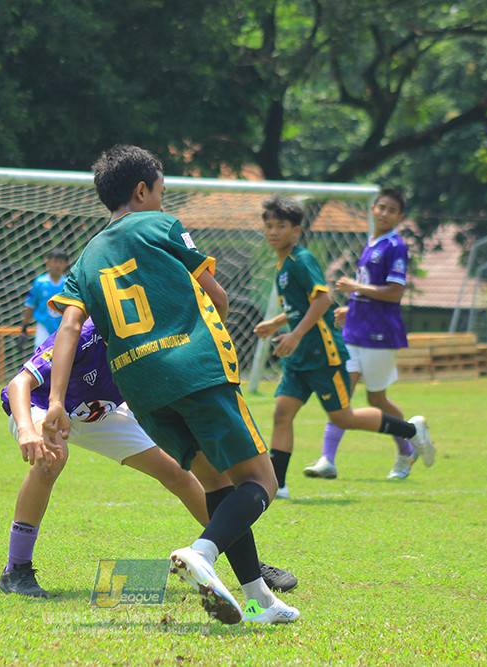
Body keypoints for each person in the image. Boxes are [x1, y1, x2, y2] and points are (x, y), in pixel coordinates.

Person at [40, 145, 299, 625]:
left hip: (140, 389)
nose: (162, 199)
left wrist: (55, 401)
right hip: (194, 369)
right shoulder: (161, 224)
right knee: (260, 479)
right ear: (142, 190)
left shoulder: (86, 256)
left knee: (216, 481)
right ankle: (202, 552)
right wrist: (202, 346)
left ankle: (263, 599)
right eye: (161, 190)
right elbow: (215, 296)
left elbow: (69, 329)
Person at [0, 317, 298, 598]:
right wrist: (27, 430)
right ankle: (16, 569)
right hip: (42, 406)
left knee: (178, 472)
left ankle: (248, 563)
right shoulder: (86, 333)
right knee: (52, 458)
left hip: (99, 413)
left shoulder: (150, 338)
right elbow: (19, 383)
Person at [253, 197, 434, 498]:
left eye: (281, 226)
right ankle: (278, 485)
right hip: (299, 356)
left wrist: (295, 334)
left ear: (296, 230)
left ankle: (411, 431)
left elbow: (323, 300)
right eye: (269, 226)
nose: (273, 232)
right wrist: (276, 323)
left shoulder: (301, 260)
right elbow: (302, 306)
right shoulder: (282, 263)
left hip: (322, 353)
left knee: (343, 417)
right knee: (282, 413)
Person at [305, 187, 434, 480]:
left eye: (391, 210)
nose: (384, 213)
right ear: (372, 209)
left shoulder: (394, 247)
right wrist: (351, 310)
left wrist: (356, 289)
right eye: (381, 207)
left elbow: (394, 293)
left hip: (380, 334)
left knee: (377, 399)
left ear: (399, 217)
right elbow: (370, 292)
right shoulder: (371, 243)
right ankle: (327, 460)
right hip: (354, 331)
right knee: (342, 395)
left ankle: (408, 447)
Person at [21, 248, 70, 346]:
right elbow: (30, 306)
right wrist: (24, 328)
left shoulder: (68, 284)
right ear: (48, 263)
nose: (57, 265)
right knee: (40, 356)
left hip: (64, 327)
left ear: (65, 265)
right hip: (44, 326)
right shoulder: (40, 283)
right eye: (55, 262)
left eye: (60, 262)